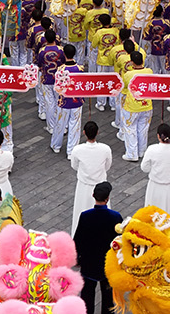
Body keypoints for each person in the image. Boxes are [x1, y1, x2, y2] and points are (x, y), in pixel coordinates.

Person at [73, 181, 122, 314]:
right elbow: (120, 242)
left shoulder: (85, 216)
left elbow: (78, 240)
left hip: (88, 263)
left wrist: (77, 259)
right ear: (108, 198)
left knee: (87, 295)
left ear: (93, 195)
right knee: (108, 298)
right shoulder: (115, 217)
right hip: (107, 264)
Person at [69, 120, 113, 234]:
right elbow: (107, 165)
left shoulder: (77, 150)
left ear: (84, 132)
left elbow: (74, 166)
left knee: (81, 210)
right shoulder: (105, 149)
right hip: (100, 184)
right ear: (97, 132)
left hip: (84, 185)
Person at [141, 122, 170, 225]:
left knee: (154, 216)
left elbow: (144, 168)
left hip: (155, 188)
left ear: (158, 136)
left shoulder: (152, 149)